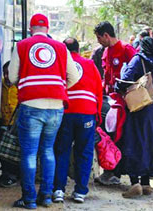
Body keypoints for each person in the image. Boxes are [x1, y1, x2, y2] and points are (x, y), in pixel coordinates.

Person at [8, 13, 80, 209]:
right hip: (56, 107)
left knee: (29, 153)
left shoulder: (21, 45)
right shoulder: (61, 47)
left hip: (31, 106)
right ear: (48, 29)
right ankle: (46, 197)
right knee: (48, 151)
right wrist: (58, 88)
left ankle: (29, 199)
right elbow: (73, 76)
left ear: (31, 28)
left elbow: (13, 77)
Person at [53, 37, 103, 203]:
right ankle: (80, 191)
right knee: (84, 151)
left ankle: (58, 190)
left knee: (62, 150)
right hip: (86, 112)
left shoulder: (59, 64)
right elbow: (98, 90)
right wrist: (97, 116)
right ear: (78, 49)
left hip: (65, 112)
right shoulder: (89, 64)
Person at [116, 37, 153, 198]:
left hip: (138, 108)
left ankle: (134, 183)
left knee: (135, 142)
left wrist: (119, 84)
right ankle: (146, 183)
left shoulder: (138, 60)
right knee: (151, 143)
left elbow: (124, 81)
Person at [93, 21, 136, 185]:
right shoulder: (105, 52)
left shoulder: (126, 49)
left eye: (99, 38)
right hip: (109, 101)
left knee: (120, 136)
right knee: (108, 136)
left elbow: (136, 74)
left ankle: (117, 172)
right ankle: (110, 170)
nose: (98, 41)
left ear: (106, 35)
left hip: (124, 103)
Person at [0, 61, 21, 188]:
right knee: (4, 150)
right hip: (3, 122)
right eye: (5, 73)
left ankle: (12, 175)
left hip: (15, 124)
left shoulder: (19, 86)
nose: (7, 76)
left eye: (9, 73)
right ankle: (6, 173)